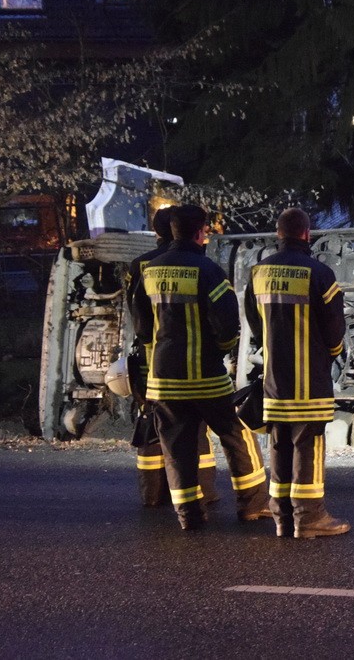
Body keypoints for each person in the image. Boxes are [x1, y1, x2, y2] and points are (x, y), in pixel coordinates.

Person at [131, 204, 269, 530]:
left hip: (163, 380)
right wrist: (219, 352)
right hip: (206, 378)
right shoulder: (208, 270)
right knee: (237, 436)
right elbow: (228, 327)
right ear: (200, 232)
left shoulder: (148, 271)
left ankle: (189, 515)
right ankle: (253, 505)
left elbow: (142, 327)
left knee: (176, 449)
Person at [244, 208, 349, 539]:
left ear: (279, 234)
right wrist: (331, 353)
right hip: (310, 378)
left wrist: (271, 346)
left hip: (275, 379)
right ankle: (309, 518)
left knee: (279, 443)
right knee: (308, 445)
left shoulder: (258, 273)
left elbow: (255, 320)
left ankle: (281, 517)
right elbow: (334, 329)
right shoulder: (319, 273)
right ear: (307, 234)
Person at [125, 206, 218, 507]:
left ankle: (153, 493)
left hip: (149, 359)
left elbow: (139, 319)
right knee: (194, 428)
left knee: (154, 424)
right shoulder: (196, 263)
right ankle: (203, 492)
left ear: (157, 232)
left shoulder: (139, 266)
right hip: (188, 359)